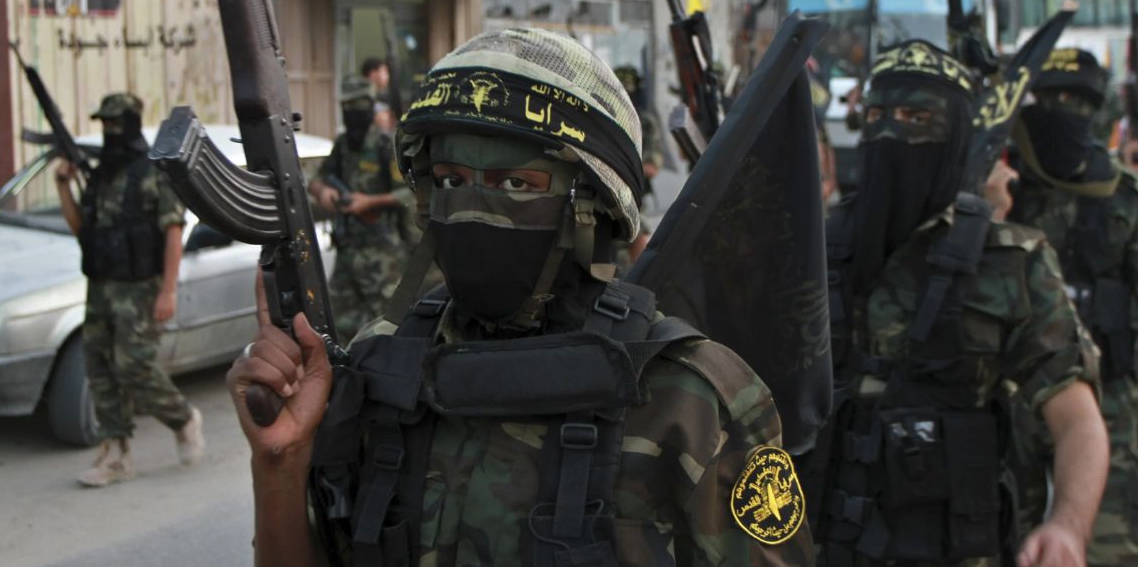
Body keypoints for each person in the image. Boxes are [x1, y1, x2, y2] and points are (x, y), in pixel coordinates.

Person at [226, 28, 815, 566]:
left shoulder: (688, 399)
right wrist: (279, 463)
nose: (475, 210)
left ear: (594, 206)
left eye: (518, 185)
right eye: (452, 182)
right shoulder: (380, 369)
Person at [810, 40, 1108, 566]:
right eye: (877, 115)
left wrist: (1067, 526)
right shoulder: (813, 247)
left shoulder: (1011, 261)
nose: (892, 132)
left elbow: (1077, 419)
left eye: (916, 116)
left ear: (955, 135)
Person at [1007, 48, 1138, 566]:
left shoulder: (1122, 198)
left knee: (1105, 543)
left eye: (1076, 100)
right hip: (1018, 404)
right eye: (1050, 98)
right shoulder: (1006, 194)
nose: (1063, 111)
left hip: (1113, 409)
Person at [54, 92, 204, 487]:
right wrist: (63, 186)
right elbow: (82, 231)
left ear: (133, 123)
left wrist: (168, 291)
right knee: (100, 368)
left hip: (141, 289)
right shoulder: (100, 174)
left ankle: (182, 418)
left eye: (116, 123)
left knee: (133, 366)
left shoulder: (153, 173)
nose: (110, 131)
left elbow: (174, 232)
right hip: (101, 288)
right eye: (104, 124)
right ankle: (115, 454)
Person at [308, 77, 411, 344]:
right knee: (334, 326)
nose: (353, 112)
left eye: (359, 105)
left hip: (381, 253)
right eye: (348, 106)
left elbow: (410, 192)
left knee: (384, 330)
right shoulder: (342, 145)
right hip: (347, 251)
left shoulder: (385, 145)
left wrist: (369, 202)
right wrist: (324, 193)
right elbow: (317, 179)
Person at [612, 65, 665, 266]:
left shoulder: (645, 122)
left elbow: (652, 167)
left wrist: (618, 167)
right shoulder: (605, 119)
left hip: (633, 200)